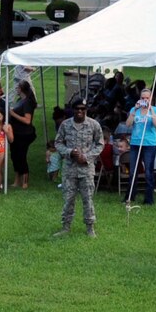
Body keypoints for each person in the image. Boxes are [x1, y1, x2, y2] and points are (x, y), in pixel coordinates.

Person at [53, 99, 103, 237]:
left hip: (86, 169)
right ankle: (66, 226)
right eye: (77, 109)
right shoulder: (65, 125)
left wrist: (86, 157)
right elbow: (58, 143)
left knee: (88, 199)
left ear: (86, 110)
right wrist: (69, 152)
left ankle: (90, 227)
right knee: (68, 199)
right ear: (73, 110)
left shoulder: (93, 125)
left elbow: (100, 144)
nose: (80, 111)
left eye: (83, 109)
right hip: (70, 169)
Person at [123, 89, 156, 205]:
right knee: (132, 172)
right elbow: (128, 124)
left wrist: (151, 111)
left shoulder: (155, 110)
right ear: (140, 98)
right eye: (143, 98)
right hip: (135, 143)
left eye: (147, 98)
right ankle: (130, 196)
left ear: (151, 99)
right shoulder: (134, 110)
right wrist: (134, 110)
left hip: (149, 144)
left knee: (149, 172)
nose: (145, 100)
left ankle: (148, 199)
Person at [8, 81, 39, 189]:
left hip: (24, 134)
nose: (16, 88)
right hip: (15, 133)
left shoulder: (28, 102)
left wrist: (13, 114)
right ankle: (17, 180)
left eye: (18, 87)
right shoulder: (19, 100)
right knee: (14, 156)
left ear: (21, 89)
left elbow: (27, 120)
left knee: (21, 156)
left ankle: (25, 181)